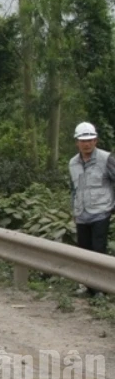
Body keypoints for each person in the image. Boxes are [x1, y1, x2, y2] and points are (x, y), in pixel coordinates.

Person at [69, 122, 115, 296]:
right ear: (77, 142)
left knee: (98, 250)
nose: (86, 144)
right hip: (81, 214)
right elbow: (74, 189)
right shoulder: (73, 163)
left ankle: (100, 290)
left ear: (95, 140)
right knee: (84, 251)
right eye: (83, 140)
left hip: (101, 212)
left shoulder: (106, 158)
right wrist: (73, 209)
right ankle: (89, 288)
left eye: (90, 140)